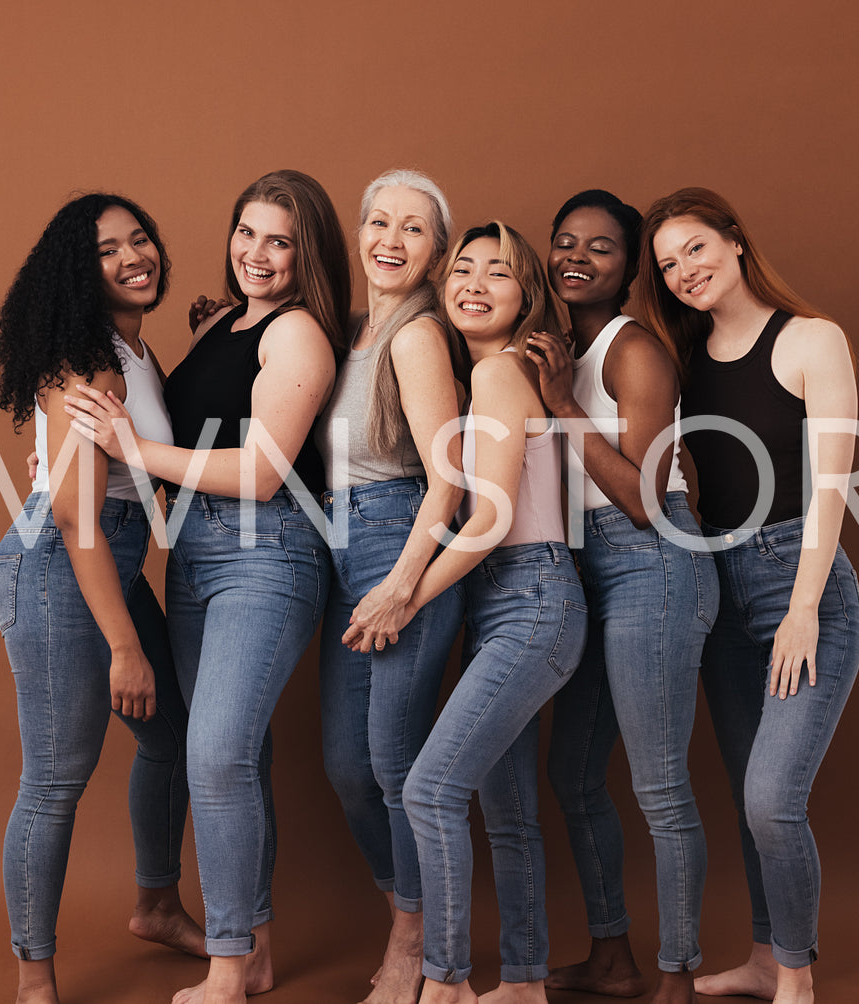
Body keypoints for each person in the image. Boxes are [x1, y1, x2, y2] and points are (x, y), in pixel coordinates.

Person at [63, 169, 350, 1004]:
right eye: (246, 232)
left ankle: (229, 965)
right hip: (192, 554)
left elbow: (262, 472)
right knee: (234, 755)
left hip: (268, 552)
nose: (256, 253)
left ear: (309, 255)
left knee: (215, 750)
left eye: (280, 241)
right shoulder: (231, 323)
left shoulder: (298, 334)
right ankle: (247, 946)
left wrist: (128, 449)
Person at [631, 187, 859, 1004]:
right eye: (666, 264)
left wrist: (802, 607)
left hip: (799, 584)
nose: (683, 271)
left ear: (733, 241)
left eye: (694, 248)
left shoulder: (810, 339)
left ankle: (796, 977)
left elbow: (832, 487)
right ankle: (765, 957)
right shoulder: (681, 358)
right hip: (716, 587)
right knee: (744, 790)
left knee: (773, 797)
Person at [0, 193, 200, 1004]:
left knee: (174, 736)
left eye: (140, 238)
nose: (133, 256)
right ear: (81, 273)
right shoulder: (95, 364)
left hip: (102, 553)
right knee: (55, 777)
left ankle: (153, 904)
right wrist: (123, 645)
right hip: (59, 562)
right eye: (108, 249)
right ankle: (33, 978)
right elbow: (75, 514)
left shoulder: (133, 352)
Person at [382, 222, 586, 1004]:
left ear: (524, 297)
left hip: (532, 596)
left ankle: (446, 984)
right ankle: (525, 984)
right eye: (461, 268)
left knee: (429, 790)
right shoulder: (480, 381)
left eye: (496, 273)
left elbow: (491, 517)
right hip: (510, 602)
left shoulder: (501, 374)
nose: (472, 282)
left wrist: (405, 595)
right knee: (505, 811)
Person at [528, 190, 717, 1004]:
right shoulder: (558, 346)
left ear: (631, 265)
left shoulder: (631, 348)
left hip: (654, 564)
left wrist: (563, 404)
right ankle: (613, 959)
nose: (577, 256)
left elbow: (644, 499)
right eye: (564, 241)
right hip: (593, 569)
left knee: (659, 787)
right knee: (572, 773)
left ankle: (676, 976)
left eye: (600, 247)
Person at [314, 169, 468, 1004]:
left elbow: (448, 482)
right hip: (342, 540)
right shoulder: (350, 337)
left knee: (393, 760)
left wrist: (404, 585)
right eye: (378, 222)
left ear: (436, 253)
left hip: (396, 539)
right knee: (347, 764)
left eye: (413, 229)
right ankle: (405, 914)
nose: (390, 240)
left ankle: (416, 944)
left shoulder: (417, 336)